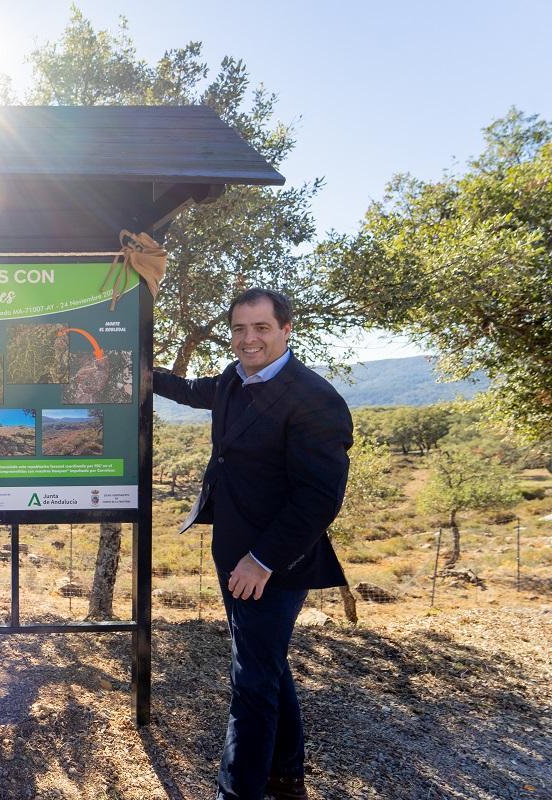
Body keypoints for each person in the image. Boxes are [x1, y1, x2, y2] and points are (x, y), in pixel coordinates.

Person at [150, 288, 352, 800]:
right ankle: (285, 774)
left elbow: (318, 499)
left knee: (252, 681)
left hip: (274, 564)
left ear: (286, 330)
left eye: (261, 328)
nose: (248, 339)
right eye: (239, 329)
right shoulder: (233, 380)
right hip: (233, 554)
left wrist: (261, 562)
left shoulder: (315, 399)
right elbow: (195, 390)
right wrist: (145, 377)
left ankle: (238, 792)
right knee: (265, 662)